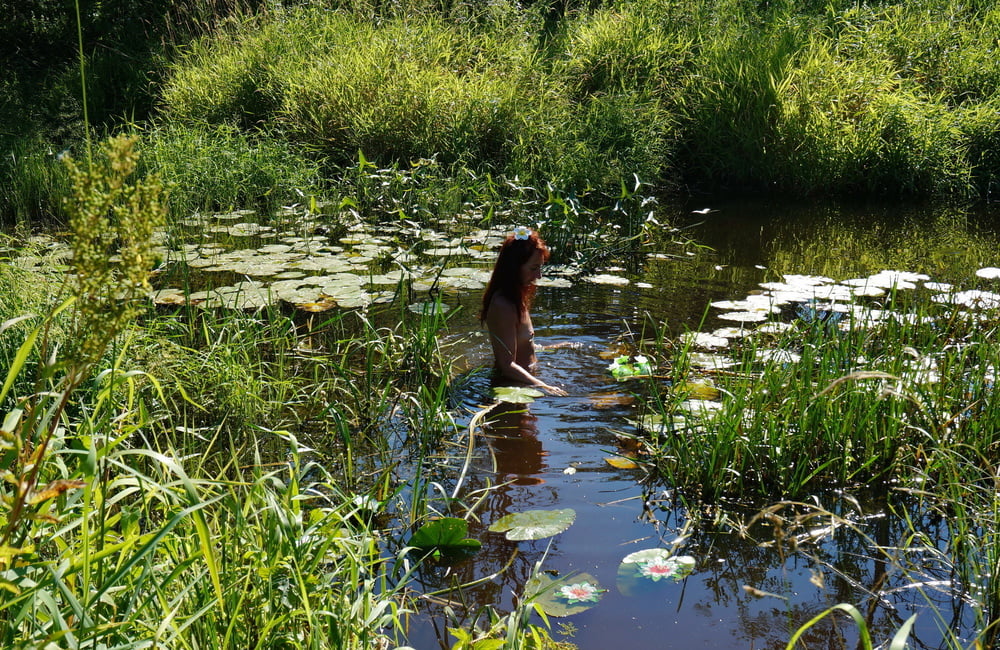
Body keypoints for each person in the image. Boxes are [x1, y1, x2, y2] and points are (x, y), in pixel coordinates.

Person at [479, 227, 568, 396]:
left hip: (525, 382)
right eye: (533, 268)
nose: (539, 276)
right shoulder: (503, 305)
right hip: (512, 387)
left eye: (540, 268)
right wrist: (545, 387)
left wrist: (553, 347)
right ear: (514, 267)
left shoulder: (515, 296)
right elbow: (506, 365)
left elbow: (521, 343)